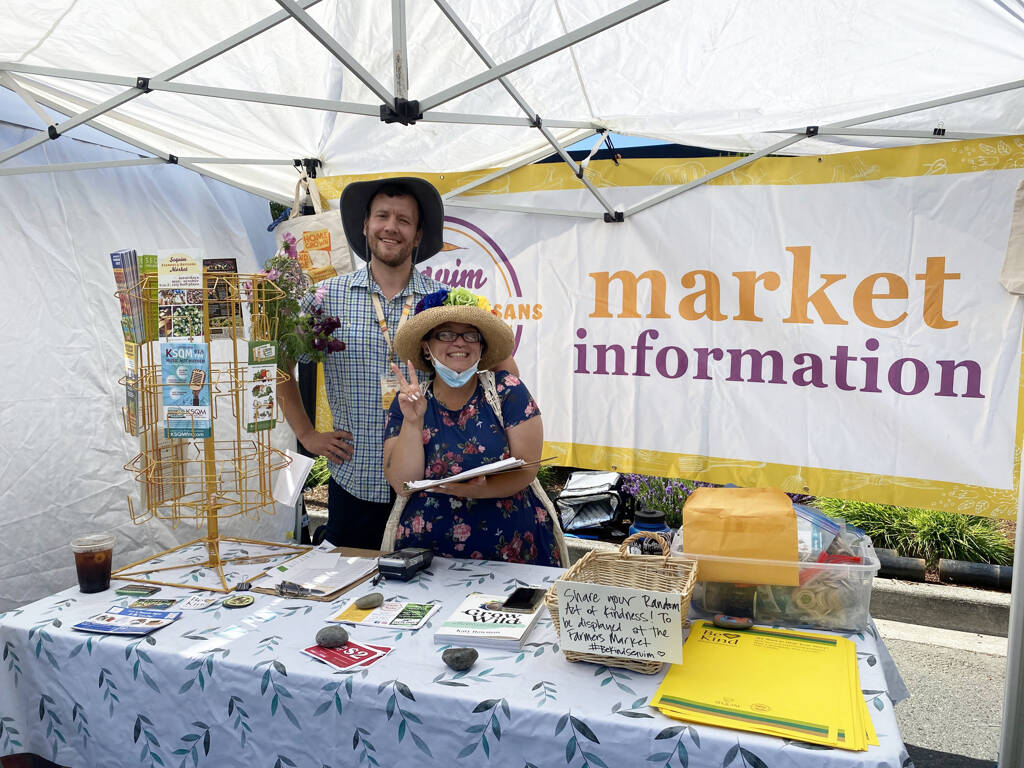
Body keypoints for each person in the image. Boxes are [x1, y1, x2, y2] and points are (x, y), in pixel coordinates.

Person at [277, 177, 514, 548]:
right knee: (352, 598)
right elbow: (277, 365)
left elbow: (499, 368)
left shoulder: (443, 304)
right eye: (382, 216)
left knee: (427, 597)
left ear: (418, 235)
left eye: (404, 220)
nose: (391, 227)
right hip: (353, 481)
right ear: (365, 226)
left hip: (427, 486)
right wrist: (306, 435)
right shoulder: (324, 297)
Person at [382, 288, 562, 566]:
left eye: (470, 334)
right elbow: (403, 484)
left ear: (481, 347)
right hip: (427, 555)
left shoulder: (507, 391)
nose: (459, 343)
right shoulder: (408, 402)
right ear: (426, 347)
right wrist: (413, 420)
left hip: (511, 550)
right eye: (445, 333)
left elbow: (528, 468)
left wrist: (480, 490)